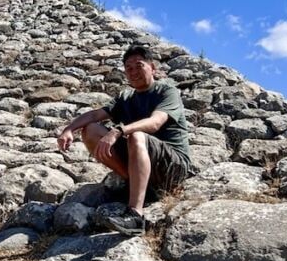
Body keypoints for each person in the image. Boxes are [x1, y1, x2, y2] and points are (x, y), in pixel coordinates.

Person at [56, 45, 193, 235]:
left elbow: (155, 122)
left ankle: (135, 215)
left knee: (136, 135)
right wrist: (69, 129)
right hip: (142, 159)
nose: (134, 72)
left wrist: (119, 131)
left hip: (173, 167)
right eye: (129, 68)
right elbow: (95, 115)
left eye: (139, 66)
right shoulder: (126, 97)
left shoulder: (167, 92)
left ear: (152, 68)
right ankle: (136, 184)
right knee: (91, 130)